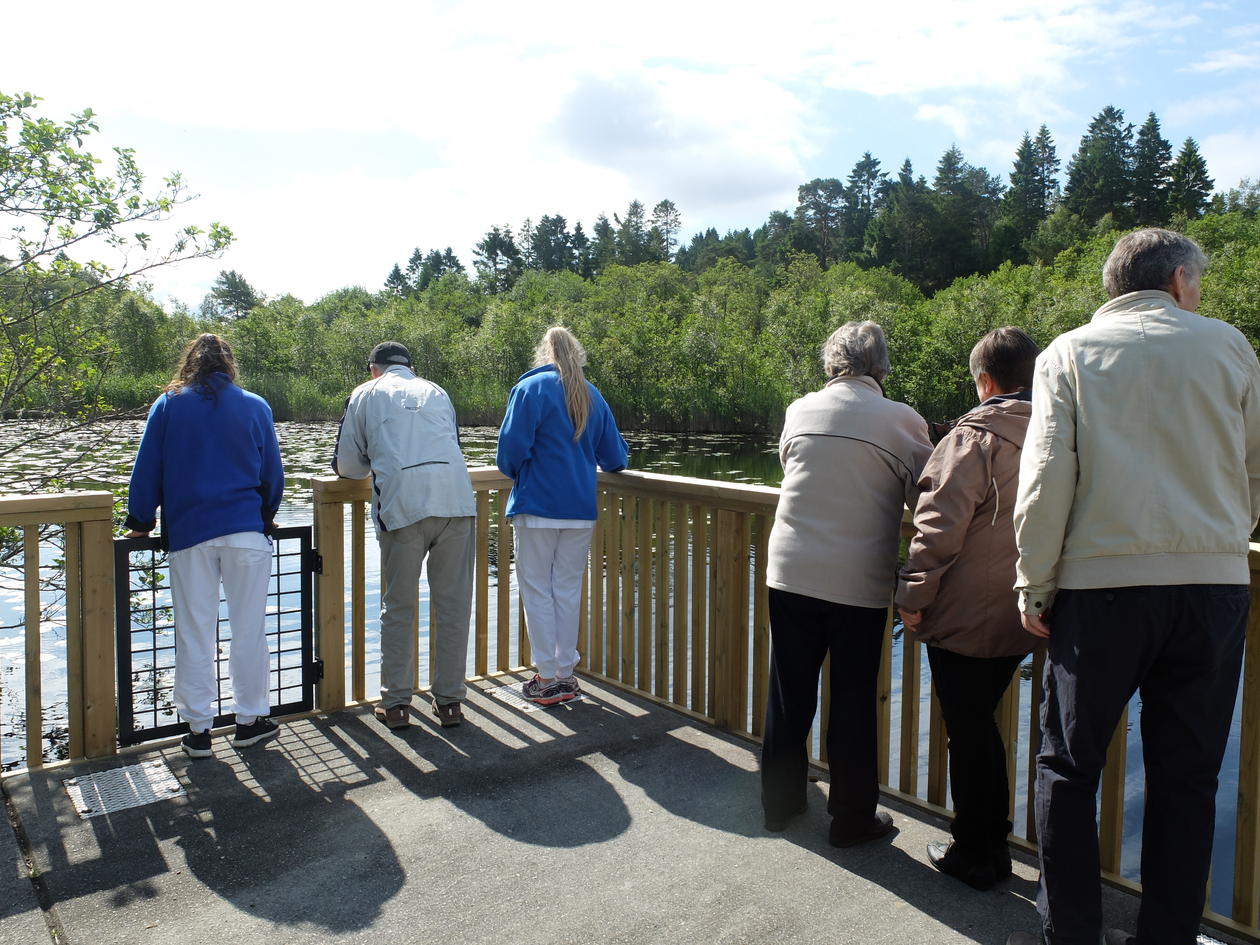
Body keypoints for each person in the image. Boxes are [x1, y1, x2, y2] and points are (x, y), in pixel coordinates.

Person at [1006, 229, 1260, 945]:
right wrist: (1221, 533)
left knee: (1067, 768)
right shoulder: (1230, 346)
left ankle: (1072, 933)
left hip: (1101, 592)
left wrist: (1035, 584)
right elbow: (1257, 465)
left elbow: (1046, 478)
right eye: (1199, 282)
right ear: (1180, 279)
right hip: (1211, 590)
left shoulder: (1067, 353)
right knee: (1188, 778)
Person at [761, 320, 932, 846]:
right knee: (854, 700)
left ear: (832, 365)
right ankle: (852, 819)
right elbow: (927, 496)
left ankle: (779, 804)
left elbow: (796, 466)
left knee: (789, 691)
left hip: (788, 570)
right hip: (856, 581)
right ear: (881, 368)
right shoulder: (901, 420)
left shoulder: (799, 409)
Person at [896, 326, 1041, 890]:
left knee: (970, 732)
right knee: (984, 730)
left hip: (966, 618)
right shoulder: (1063, 432)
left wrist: (911, 599)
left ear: (984, 381)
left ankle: (979, 853)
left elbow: (937, 529)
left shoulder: (972, 438)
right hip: (1028, 611)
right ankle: (992, 841)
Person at [125, 333, 285, 758]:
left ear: (190, 362)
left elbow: (147, 471)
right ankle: (249, 721)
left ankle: (198, 730)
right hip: (246, 532)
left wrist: (141, 524)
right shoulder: (255, 405)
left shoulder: (168, 405)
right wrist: (264, 516)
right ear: (229, 363)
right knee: (249, 630)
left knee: (194, 632)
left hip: (190, 533)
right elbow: (273, 474)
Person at [334, 341, 476, 730]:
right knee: (453, 606)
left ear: (373, 368)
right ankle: (450, 703)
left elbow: (348, 468)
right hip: (457, 502)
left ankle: (395, 704)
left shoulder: (364, 395)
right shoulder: (437, 391)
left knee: (398, 607)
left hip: (402, 507)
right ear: (410, 367)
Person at [496, 326, 628, 705]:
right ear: (578, 355)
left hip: (537, 507)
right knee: (567, 590)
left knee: (537, 590)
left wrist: (522, 469)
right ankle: (567, 675)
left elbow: (509, 455)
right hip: (579, 510)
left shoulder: (529, 390)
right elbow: (616, 457)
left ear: (543, 354)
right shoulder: (591, 394)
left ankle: (548, 677)